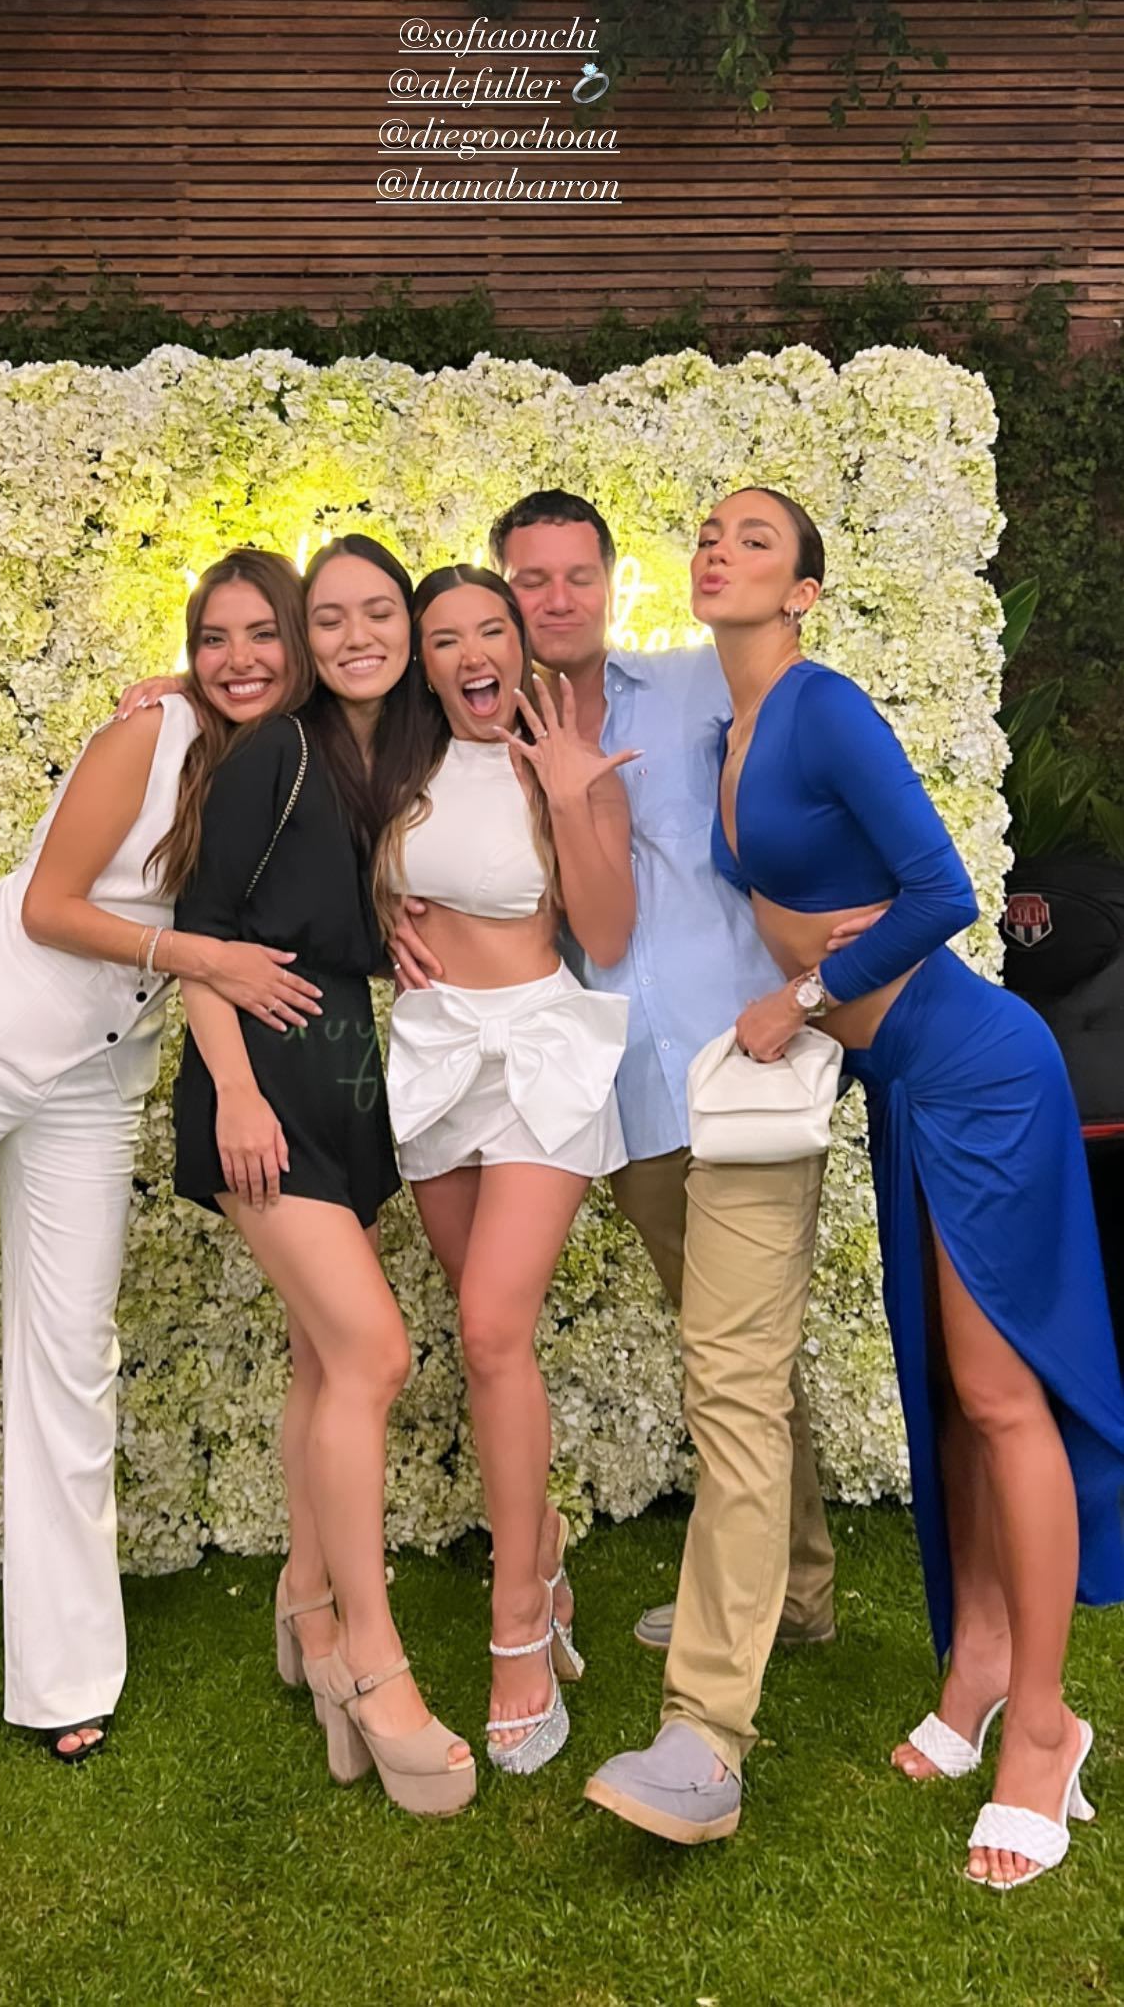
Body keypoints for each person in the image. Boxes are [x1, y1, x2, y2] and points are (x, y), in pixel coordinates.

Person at [593, 486, 1124, 1885]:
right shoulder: (732, 724)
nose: (721, 549)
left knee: (1003, 1395)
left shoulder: (821, 707)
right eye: (710, 534)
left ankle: (1047, 1727)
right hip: (905, 1087)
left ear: (805, 591)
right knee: (950, 1394)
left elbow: (944, 888)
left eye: (756, 540)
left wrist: (807, 994)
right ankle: (980, 1665)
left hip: (978, 1071)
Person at [393, 494, 871, 1820]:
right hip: (627, 1090)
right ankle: (802, 1586)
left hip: (749, 1063)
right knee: (735, 1353)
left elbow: (819, 766)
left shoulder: (702, 689)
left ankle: (704, 1729)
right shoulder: (478, 735)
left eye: (575, 575)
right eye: (529, 581)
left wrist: (854, 938)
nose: (554, 599)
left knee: (729, 1375)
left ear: (610, 581)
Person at [0, 548, 318, 1761]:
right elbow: (49, 905)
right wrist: (202, 959)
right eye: (214, 637)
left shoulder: (294, 759)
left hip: (98, 1074)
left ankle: (64, 1677)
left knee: (71, 1351)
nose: (238, 658)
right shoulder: (148, 732)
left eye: (262, 633)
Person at [171, 536, 477, 1818]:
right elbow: (199, 932)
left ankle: (305, 1603)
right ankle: (372, 1658)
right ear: (309, 636)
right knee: (373, 1352)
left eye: (379, 612)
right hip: (264, 1087)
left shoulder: (384, 759)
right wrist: (237, 1092)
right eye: (331, 616)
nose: (357, 636)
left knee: (320, 1360)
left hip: (346, 1076)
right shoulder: (275, 753)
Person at [380, 564, 636, 1773]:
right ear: (423, 663)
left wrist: (574, 794)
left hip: (539, 1050)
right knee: (489, 1342)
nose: (473, 652)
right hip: (435, 1054)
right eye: (446, 638)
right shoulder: (388, 760)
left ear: (522, 645)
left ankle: (518, 1623)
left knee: (491, 1326)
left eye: (493, 629)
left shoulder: (562, 756)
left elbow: (610, 931)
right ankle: (547, 1555)